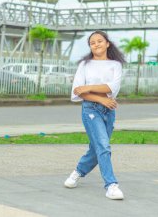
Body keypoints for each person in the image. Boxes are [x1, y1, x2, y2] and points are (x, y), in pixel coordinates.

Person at [64, 30, 126, 200]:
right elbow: (77, 91)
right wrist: (101, 99)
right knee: (104, 147)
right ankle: (111, 185)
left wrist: (89, 87)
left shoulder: (115, 65)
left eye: (100, 41)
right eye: (92, 42)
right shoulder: (84, 65)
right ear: (90, 47)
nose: (96, 44)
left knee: (97, 148)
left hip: (109, 111)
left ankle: (77, 172)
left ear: (107, 43)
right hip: (91, 110)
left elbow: (112, 88)